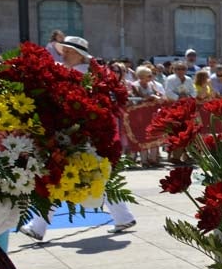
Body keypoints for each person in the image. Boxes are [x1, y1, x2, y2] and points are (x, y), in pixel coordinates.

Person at [19, 37, 136, 239]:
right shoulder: (84, 73)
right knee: (85, 176)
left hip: (80, 134)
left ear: (79, 55)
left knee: (60, 177)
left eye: (68, 51)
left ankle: (38, 227)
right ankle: (123, 216)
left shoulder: (81, 76)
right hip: (80, 133)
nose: (63, 54)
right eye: (63, 50)